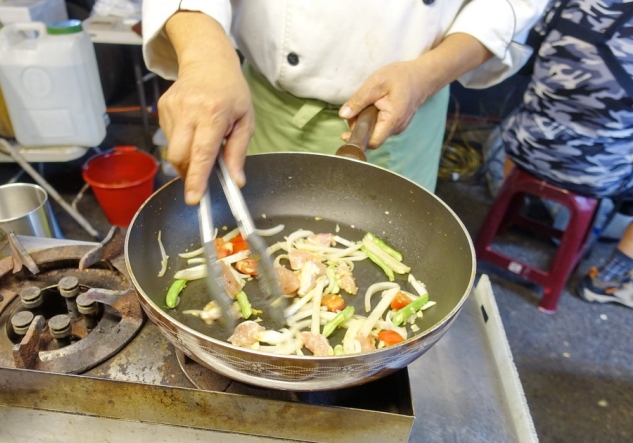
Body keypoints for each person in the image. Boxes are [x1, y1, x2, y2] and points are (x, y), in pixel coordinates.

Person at [141, 1, 548, 205]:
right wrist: (203, 55)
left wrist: (428, 75)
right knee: (247, 230)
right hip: (264, 109)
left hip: (406, 113)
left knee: (398, 249)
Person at [502, 0, 633, 308]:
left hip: (525, 146)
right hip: (596, 173)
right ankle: (605, 280)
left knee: (513, 120)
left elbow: (528, 58)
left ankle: (522, 205)